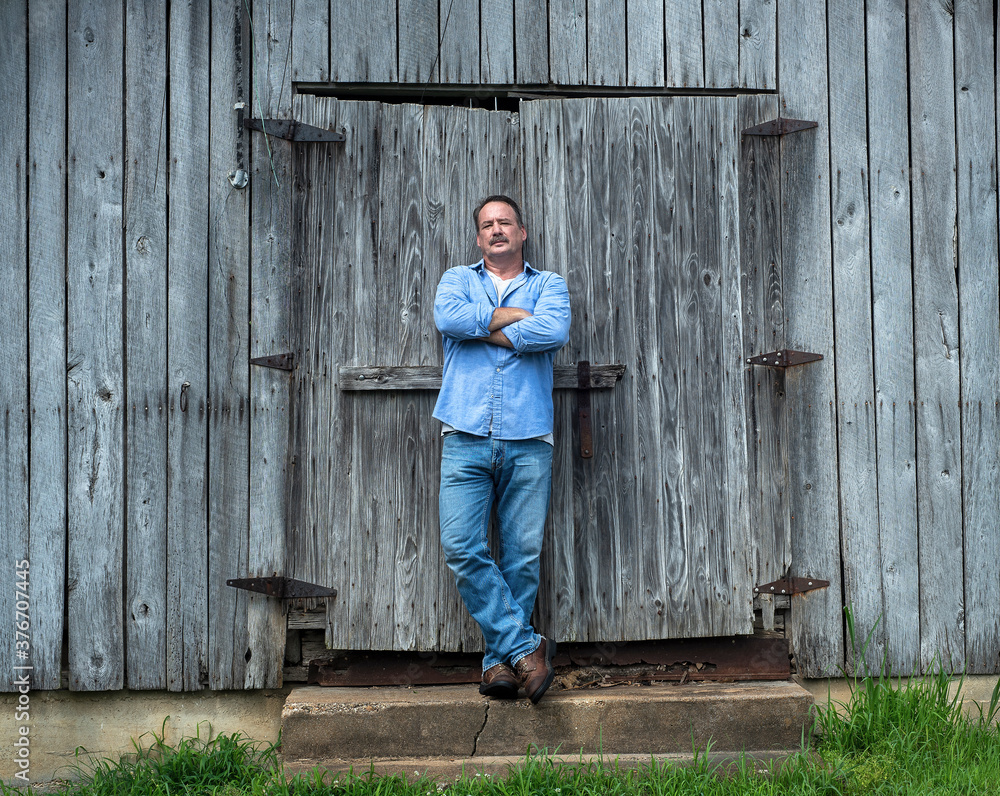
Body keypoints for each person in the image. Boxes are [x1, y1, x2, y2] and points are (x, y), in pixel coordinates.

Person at [432, 195, 571, 704]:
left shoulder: (549, 284)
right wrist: (515, 320)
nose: (496, 230)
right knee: (461, 546)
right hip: (464, 432)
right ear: (478, 237)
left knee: (522, 557)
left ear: (522, 232)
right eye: (487, 224)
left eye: (505, 222)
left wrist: (483, 325)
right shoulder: (456, 279)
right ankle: (527, 648)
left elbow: (553, 329)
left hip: (529, 436)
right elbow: (449, 319)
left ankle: (499, 665)